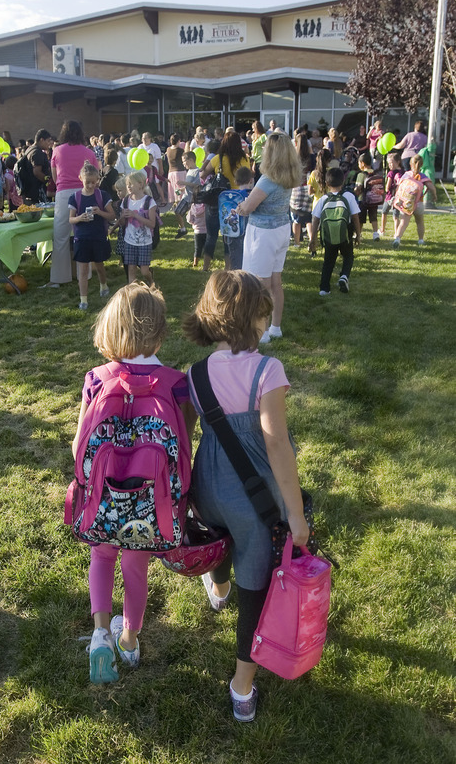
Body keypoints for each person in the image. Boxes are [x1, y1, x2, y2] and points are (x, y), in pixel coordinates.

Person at [183, 270, 309, 722]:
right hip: (255, 501)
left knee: (221, 534)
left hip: (207, 491)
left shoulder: (194, 375)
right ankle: (241, 687)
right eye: (263, 315)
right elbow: (277, 445)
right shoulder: (267, 370)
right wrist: (294, 515)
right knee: (253, 588)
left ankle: (217, 587)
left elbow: (185, 433)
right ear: (253, 318)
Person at [71, 283, 192, 683]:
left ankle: (101, 632)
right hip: (148, 505)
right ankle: (129, 639)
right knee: (136, 566)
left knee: (102, 557)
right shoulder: (176, 384)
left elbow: (78, 444)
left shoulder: (96, 378)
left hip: (103, 498)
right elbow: (184, 450)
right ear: (159, 331)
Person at [237, 133, 301, 343]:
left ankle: (261, 332)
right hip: (282, 229)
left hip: (264, 233)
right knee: (275, 282)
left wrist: (241, 207)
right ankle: (275, 327)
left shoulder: (268, 179)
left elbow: (248, 207)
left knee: (259, 285)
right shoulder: (289, 175)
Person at [45, 120, 99, 288]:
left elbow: (55, 178)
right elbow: (95, 175)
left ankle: (59, 278)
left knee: (60, 237)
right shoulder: (88, 152)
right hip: (84, 193)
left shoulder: (57, 151)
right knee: (83, 234)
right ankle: (85, 274)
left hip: (63, 194)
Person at [200, 132, 251, 271]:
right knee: (230, 236)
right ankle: (229, 267)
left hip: (217, 200)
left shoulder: (218, 158)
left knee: (211, 235)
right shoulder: (244, 159)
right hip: (237, 202)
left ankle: (205, 266)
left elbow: (202, 174)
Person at [68, 161, 114, 311]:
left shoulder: (102, 195)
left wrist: (99, 212)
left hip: (98, 236)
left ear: (98, 181)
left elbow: (112, 215)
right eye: (88, 182)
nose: (91, 185)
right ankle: (83, 300)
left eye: (94, 182)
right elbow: (71, 219)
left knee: (99, 266)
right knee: (82, 270)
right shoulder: (75, 197)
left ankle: (103, 285)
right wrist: (80, 218)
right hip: (81, 237)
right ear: (80, 178)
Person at [309, 167, 361, 296]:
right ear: (343, 182)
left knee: (328, 260)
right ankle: (344, 276)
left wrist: (312, 239)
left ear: (327, 184)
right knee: (348, 256)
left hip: (328, 235)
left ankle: (324, 288)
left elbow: (315, 219)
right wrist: (358, 234)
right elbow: (355, 217)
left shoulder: (323, 199)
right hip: (345, 234)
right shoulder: (348, 196)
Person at [116, 171, 156, 284]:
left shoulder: (149, 201)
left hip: (145, 241)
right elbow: (123, 223)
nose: (128, 186)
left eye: (131, 184)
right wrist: (122, 217)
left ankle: (151, 282)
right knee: (131, 270)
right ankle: (132, 293)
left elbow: (152, 224)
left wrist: (135, 216)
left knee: (144, 271)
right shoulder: (125, 201)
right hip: (129, 241)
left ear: (140, 184)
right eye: (127, 184)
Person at [392, 154, 436, 248]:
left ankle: (397, 239)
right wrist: (434, 196)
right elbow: (431, 187)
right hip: (418, 203)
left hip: (406, 203)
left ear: (410, 164)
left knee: (403, 223)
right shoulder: (423, 176)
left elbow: (399, 186)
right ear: (422, 165)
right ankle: (420, 240)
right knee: (420, 222)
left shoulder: (406, 174)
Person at [290, 132, 313, 247]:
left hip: (296, 188)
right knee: (309, 218)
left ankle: (296, 242)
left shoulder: (294, 158)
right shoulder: (312, 157)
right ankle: (311, 241)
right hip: (309, 188)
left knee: (296, 219)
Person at [354, 151, 382, 241]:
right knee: (373, 217)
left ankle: (359, 234)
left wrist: (354, 192)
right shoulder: (375, 173)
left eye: (359, 163)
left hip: (363, 199)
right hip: (374, 200)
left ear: (362, 163)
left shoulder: (361, 175)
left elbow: (358, 188)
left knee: (360, 218)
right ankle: (375, 233)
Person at [20, 128, 52, 203]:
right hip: (38, 192)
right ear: (41, 140)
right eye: (48, 141)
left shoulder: (29, 149)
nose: (49, 143)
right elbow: (37, 172)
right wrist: (48, 182)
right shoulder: (37, 152)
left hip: (29, 191)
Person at [174, 151, 201, 238]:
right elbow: (189, 185)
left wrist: (184, 183)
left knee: (180, 212)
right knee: (178, 211)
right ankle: (182, 229)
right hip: (186, 196)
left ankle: (184, 229)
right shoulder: (189, 171)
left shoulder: (197, 171)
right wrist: (181, 189)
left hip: (191, 198)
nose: (183, 164)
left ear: (191, 160)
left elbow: (197, 185)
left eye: (184, 161)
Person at [378, 152, 403, 238]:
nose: (390, 165)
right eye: (389, 163)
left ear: (398, 162)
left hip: (389, 197)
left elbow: (387, 187)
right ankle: (396, 233)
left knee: (384, 212)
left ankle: (382, 229)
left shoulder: (391, 173)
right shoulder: (403, 172)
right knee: (396, 215)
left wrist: (386, 189)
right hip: (398, 197)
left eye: (391, 163)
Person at [139, 132, 165, 205]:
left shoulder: (154, 146)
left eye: (146, 138)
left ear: (150, 138)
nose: (144, 139)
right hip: (143, 169)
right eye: (143, 138)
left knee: (156, 183)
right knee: (145, 185)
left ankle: (163, 200)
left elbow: (159, 159)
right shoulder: (140, 147)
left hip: (153, 168)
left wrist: (161, 169)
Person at [166, 134, 185, 206]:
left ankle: (175, 205)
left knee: (173, 189)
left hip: (171, 172)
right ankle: (179, 205)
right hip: (179, 171)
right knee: (179, 189)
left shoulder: (168, 149)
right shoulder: (180, 150)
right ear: (178, 141)